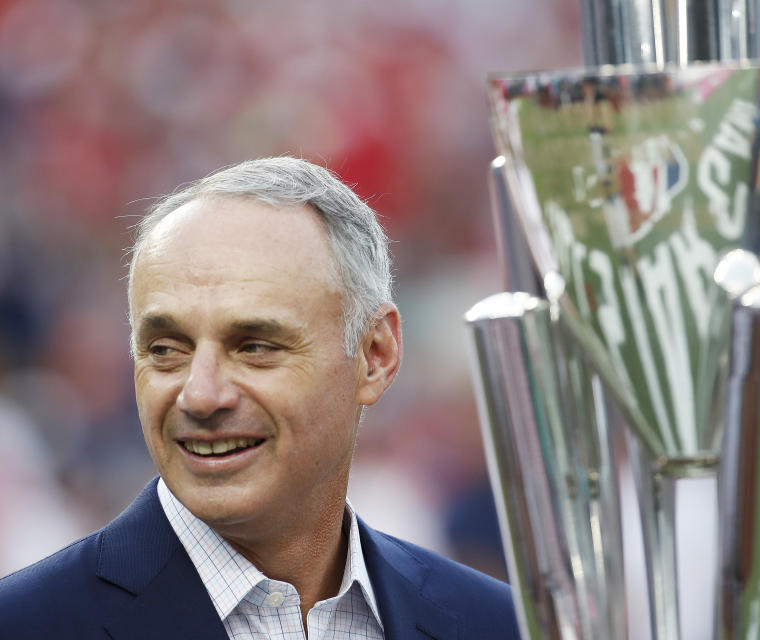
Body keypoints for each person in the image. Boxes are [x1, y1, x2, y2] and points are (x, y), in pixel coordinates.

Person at [0, 157, 521, 640]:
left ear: (375, 355)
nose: (200, 395)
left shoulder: (497, 624)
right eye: (165, 349)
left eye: (254, 346)